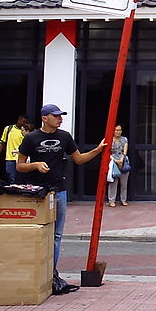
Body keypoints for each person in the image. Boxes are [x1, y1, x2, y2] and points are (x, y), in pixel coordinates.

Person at [16, 104, 106, 294]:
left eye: (60, 116)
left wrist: (98, 150)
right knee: (38, 232)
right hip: (38, 192)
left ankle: (52, 273)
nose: (60, 118)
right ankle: (36, 271)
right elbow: (20, 165)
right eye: (56, 116)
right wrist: (36, 164)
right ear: (44, 118)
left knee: (56, 235)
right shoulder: (31, 138)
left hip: (59, 190)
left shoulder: (64, 136)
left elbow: (78, 159)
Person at [0, 115, 29, 183]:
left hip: (21, 159)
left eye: (26, 122)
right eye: (23, 122)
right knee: (11, 177)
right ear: (19, 120)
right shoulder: (9, 128)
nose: (24, 124)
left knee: (22, 179)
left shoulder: (26, 132)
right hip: (10, 158)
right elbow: (2, 142)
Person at [107, 124, 130, 207]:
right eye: (116, 130)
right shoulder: (109, 140)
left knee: (124, 183)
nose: (118, 132)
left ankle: (123, 199)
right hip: (113, 162)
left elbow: (125, 150)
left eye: (119, 130)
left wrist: (121, 159)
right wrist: (115, 160)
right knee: (113, 182)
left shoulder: (124, 139)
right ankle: (111, 200)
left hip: (123, 162)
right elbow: (107, 152)